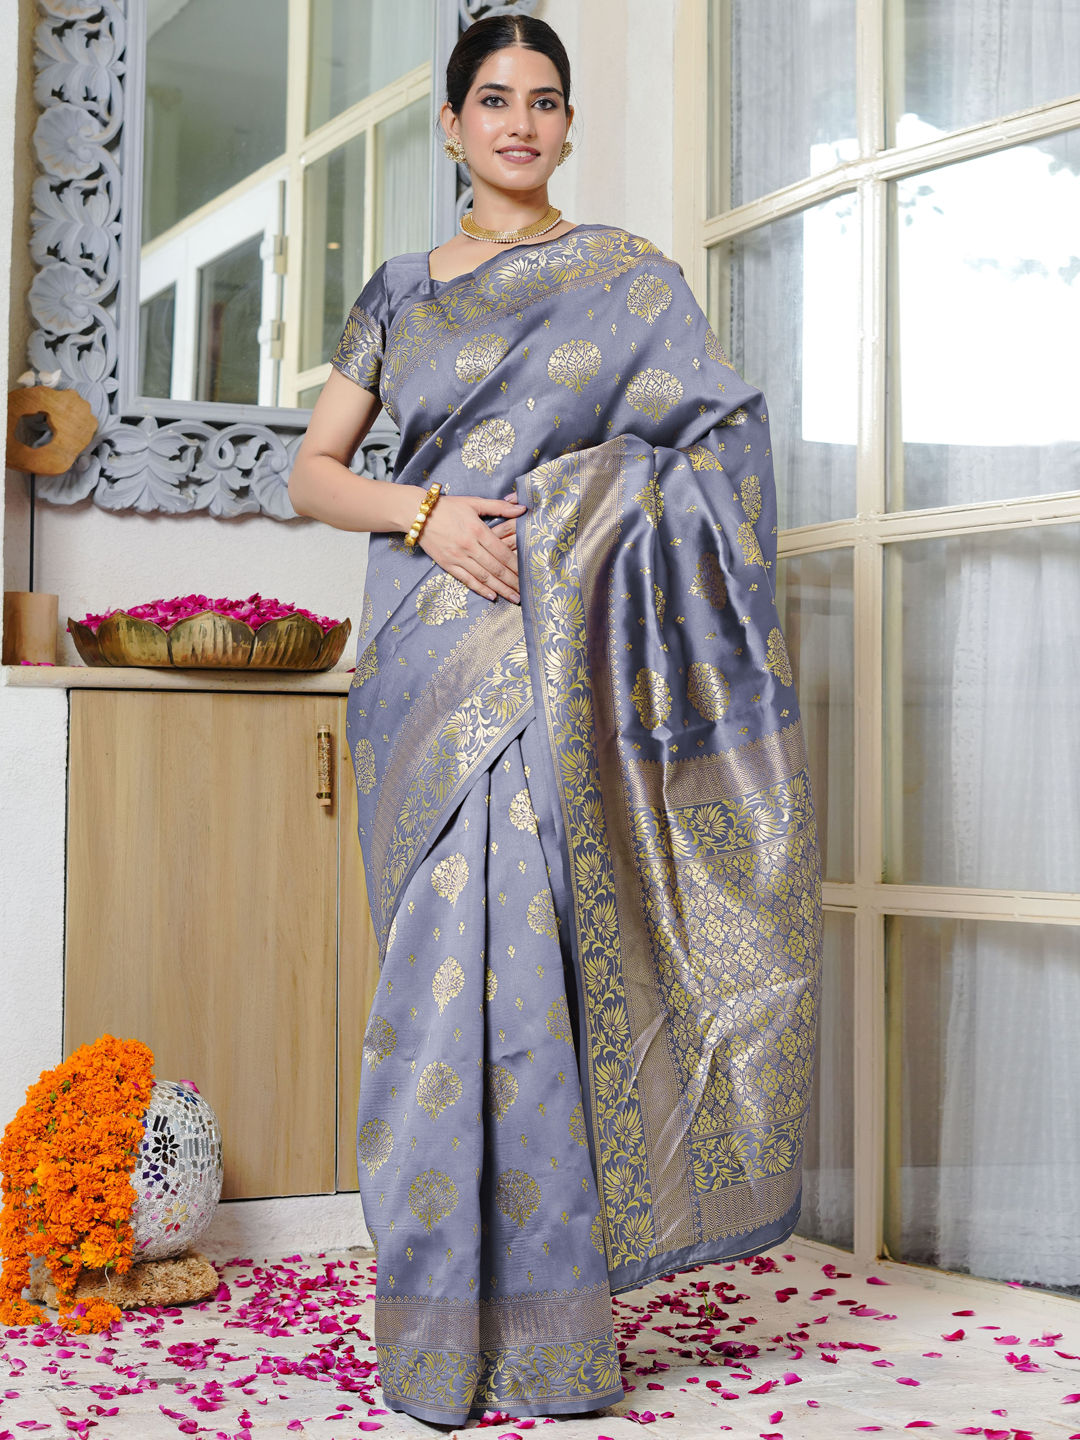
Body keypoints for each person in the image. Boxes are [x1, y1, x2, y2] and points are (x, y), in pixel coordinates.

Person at [289, 13, 823, 1427]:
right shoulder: (399, 294)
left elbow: (720, 455)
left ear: (569, 126)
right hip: (424, 665)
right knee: (431, 991)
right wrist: (425, 511)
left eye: (544, 100)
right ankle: (436, 1330)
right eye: (494, 99)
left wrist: (574, 516)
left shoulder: (630, 281)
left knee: (531, 986)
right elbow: (314, 471)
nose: (519, 123)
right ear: (453, 123)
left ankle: (545, 1341)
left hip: (557, 662)